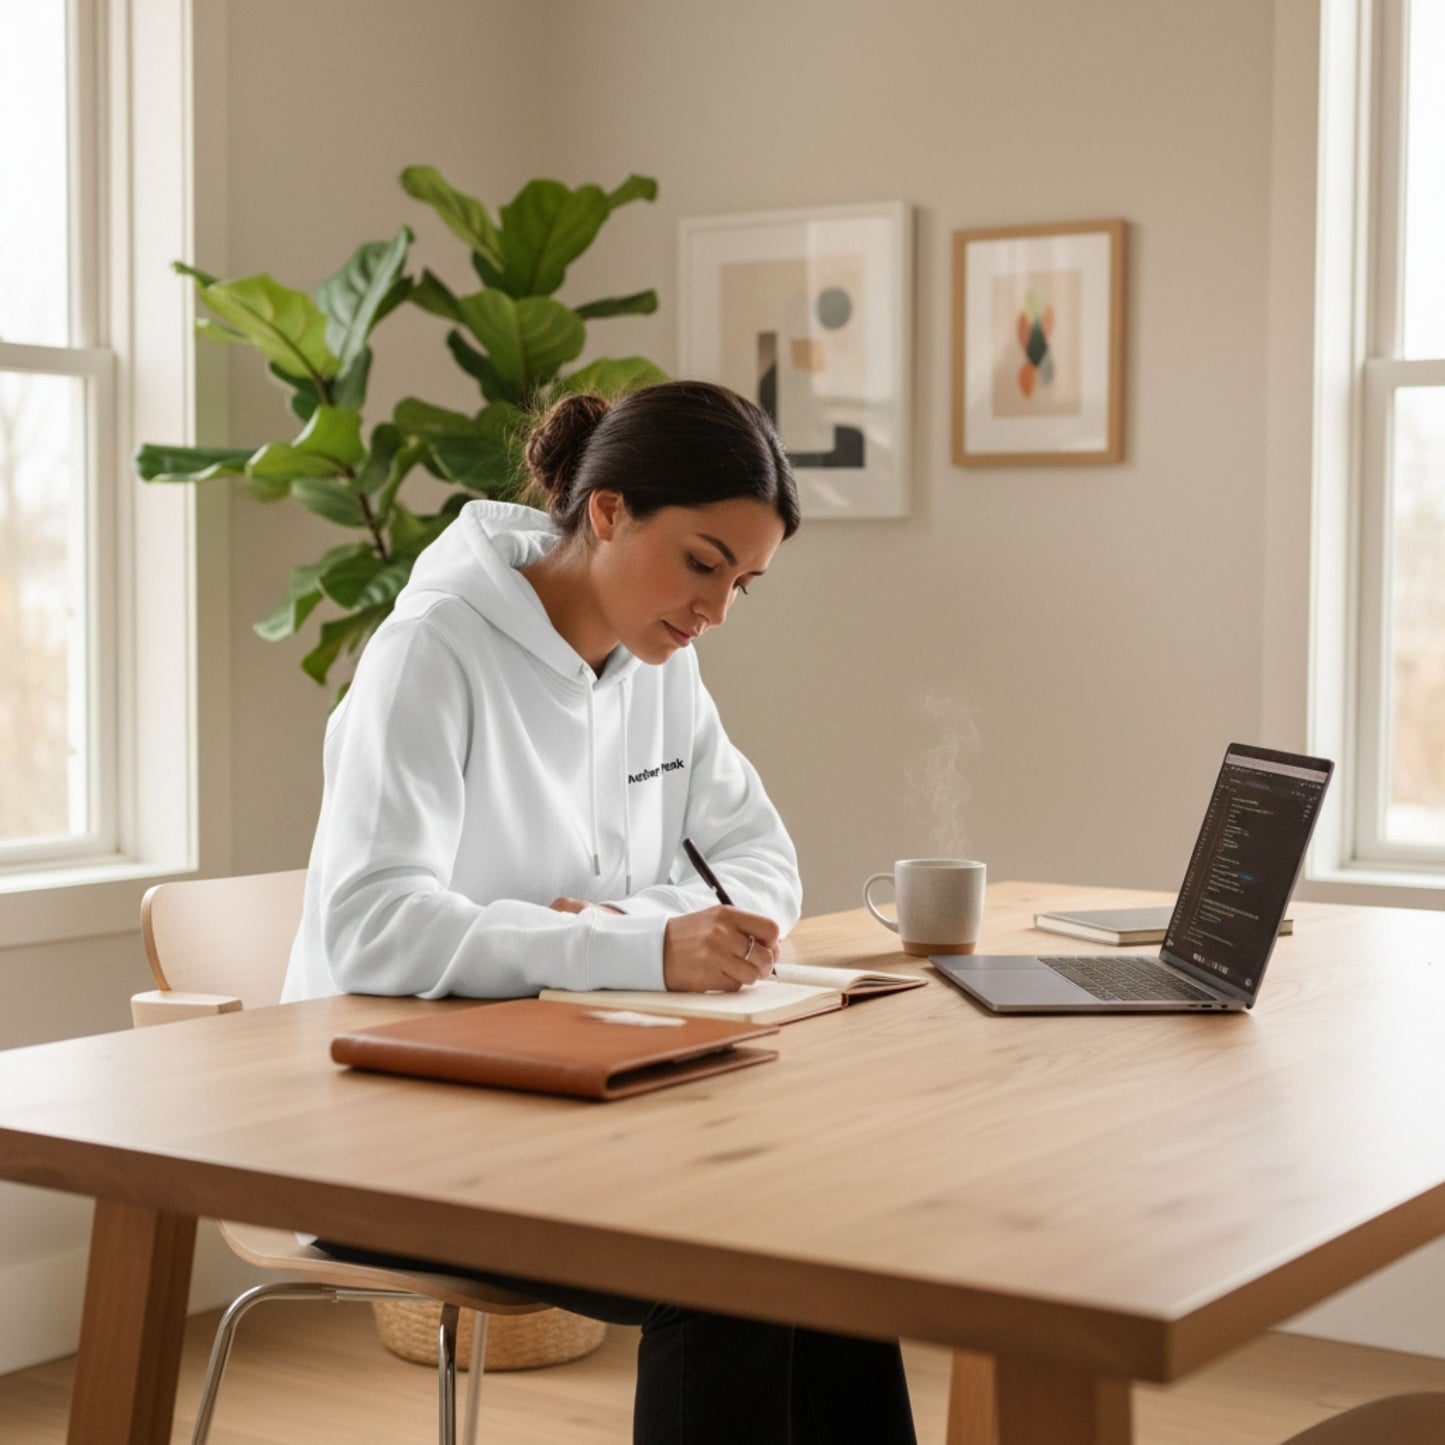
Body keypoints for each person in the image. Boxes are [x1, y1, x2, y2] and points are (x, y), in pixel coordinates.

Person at [281, 379, 917, 1444]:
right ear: (610, 510)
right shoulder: (430, 652)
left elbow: (761, 860)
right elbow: (371, 921)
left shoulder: (662, 661)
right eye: (703, 563)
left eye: (743, 585)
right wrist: (629, 943)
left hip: (576, 1092)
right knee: (723, 1269)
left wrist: (629, 921)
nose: (714, 609)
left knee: (831, 1239)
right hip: (393, 1126)